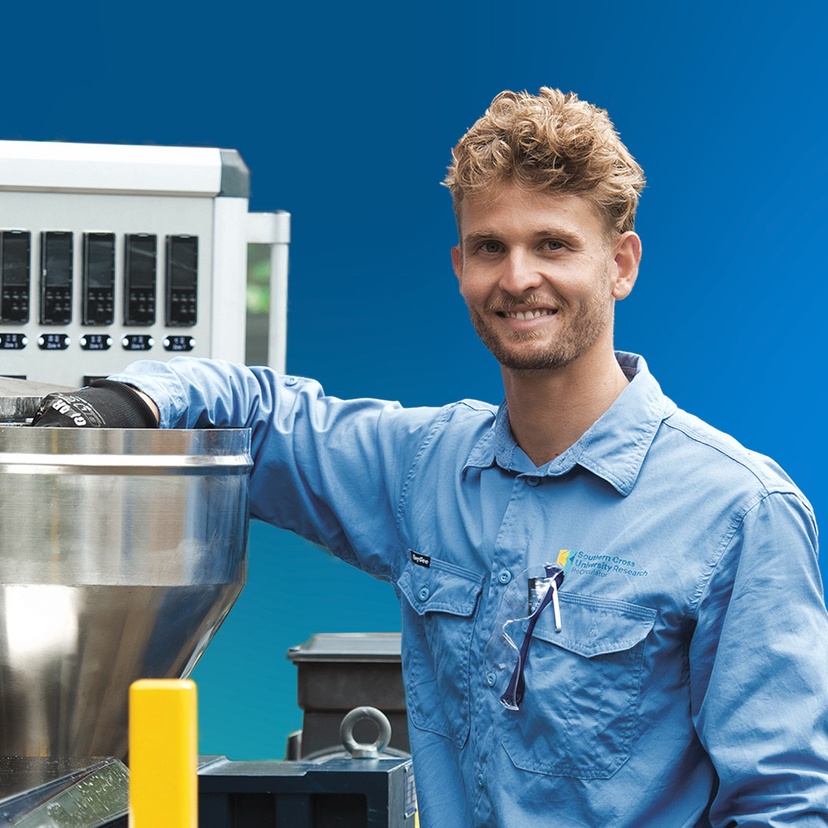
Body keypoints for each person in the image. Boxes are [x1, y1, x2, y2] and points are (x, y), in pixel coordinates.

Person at [33, 88, 828, 826]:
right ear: (460, 269)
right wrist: (124, 405)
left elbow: (784, 807)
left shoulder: (738, 512)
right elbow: (261, 412)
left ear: (620, 264)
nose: (519, 278)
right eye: (491, 247)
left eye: (553, 243)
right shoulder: (428, 469)